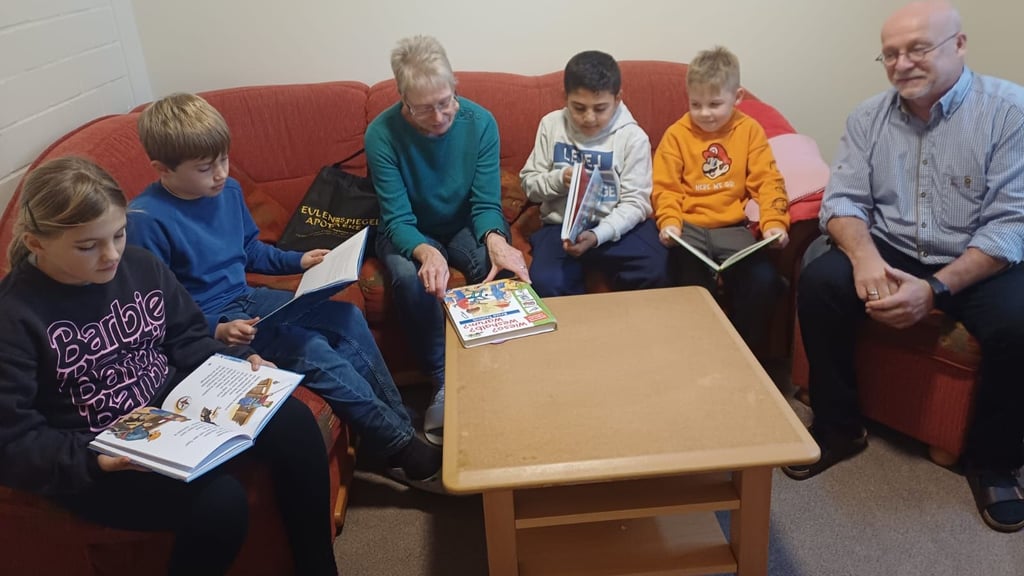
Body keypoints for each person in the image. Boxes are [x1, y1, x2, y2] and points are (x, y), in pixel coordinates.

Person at [0, 157, 338, 575]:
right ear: (36, 244)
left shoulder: (140, 265)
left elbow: (187, 339)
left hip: (173, 405)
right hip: (98, 448)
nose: (111, 256)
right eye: (87, 246)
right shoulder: (14, 316)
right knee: (221, 504)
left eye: (119, 235)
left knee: (293, 421)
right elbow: (13, 439)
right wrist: (92, 459)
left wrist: (235, 367)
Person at [782, 0, 1024, 534]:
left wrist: (934, 290)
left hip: (977, 256)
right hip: (892, 246)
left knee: (1017, 323)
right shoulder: (868, 116)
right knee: (822, 283)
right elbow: (840, 202)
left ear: (958, 45)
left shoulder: (1010, 111)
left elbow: (1011, 225)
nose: (902, 64)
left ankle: (993, 461)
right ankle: (839, 426)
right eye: (890, 54)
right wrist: (864, 259)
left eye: (918, 48)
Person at [127, 93, 442, 490]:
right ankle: (401, 448)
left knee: (346, 316)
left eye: (224, 160)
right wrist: (216, 330)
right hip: (208, 325)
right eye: (206, 168)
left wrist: (298, 261)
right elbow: (154, 312)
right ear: (162, 170)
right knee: (311, 349)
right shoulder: (145, 220)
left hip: (248, 300)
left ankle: (394, 431)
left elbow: (249, 250)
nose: (221, 174)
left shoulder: (228, 192)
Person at [365, 35, 530, 446]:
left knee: (492, 264)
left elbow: (486, 203)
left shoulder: (481, 122)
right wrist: (426, 252)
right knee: (408, 275)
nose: (440, 117)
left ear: (455, 87)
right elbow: (397, 218)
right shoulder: (381, 134)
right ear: (404, 100)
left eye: (446, 101)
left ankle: (498, 366)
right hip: (408, 229)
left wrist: (495, 237)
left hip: (461, 221)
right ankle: (440, 378)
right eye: (424, 108)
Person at [650, 46, 790, 355]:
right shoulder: (676, 135)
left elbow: (768, 182)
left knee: (763, 281)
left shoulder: (749, 131)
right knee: (689, 285)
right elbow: (665, 188)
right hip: (689, 231)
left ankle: (745, 357)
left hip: (733, 230)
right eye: (695, 104)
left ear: (737, 97)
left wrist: (774, 224)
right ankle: (698, 355)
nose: (704, 113)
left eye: (715, 104)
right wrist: (670, 222)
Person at [519, 50, 668, 297]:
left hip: (619, 226)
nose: (589, 118)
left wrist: (599, 235)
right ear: (565, 97)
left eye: (600, 109)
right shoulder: (551, 125)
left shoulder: (632, 137)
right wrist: (559, 180)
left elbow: (636, 203)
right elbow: (529, 184)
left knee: (657, 267)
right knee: (545, 281)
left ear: (618, 99)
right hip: (561, 226)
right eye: (578, 108)